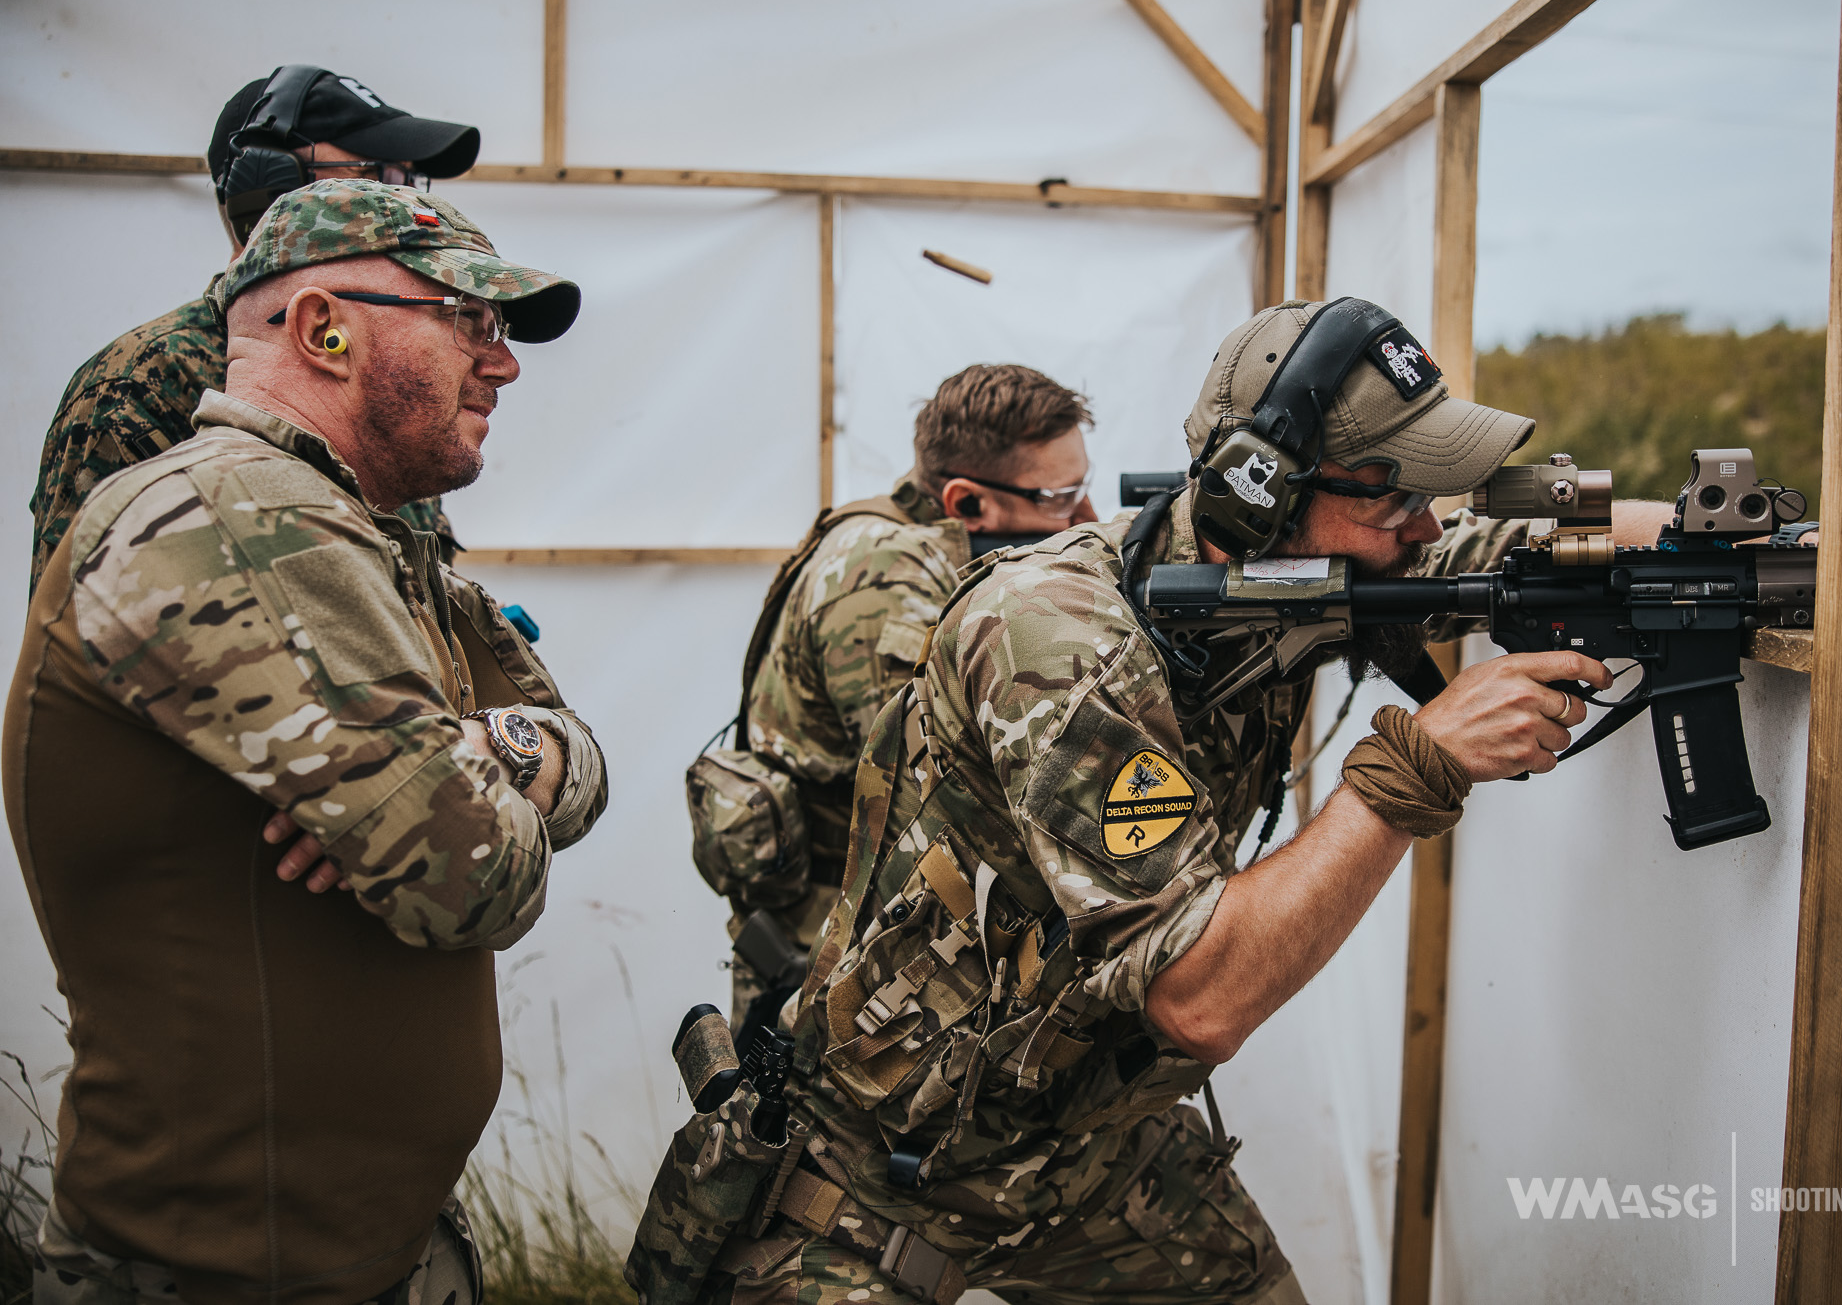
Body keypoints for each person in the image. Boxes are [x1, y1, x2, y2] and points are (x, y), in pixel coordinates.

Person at [633, 298, 1677, 1304]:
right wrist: (1416, 769)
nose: (1420, 524)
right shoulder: (1055, 634)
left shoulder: (1292, 575)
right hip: (885, 1170)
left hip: (1088, 1140)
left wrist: (1709, 536)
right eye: (1393, 494)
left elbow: (1501, 550)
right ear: (1257, 495)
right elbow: (1199, 997)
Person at [4, 178, 604, 1305]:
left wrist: (489, 754)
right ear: (325, 327)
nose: (504, 361)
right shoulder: (239, 520)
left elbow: (576, 751)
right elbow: (475, 877)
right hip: (221, 1270)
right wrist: (481, 778)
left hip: (371, 1249)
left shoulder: (365, 532)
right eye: (468, 319)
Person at [695, 365, 1097, 1033]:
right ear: (968, 502)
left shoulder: (928, 550)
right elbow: (936, 789)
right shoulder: (883, 572)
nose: (1084, 517)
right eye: (1062, 496)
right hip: (833, 963)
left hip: (881, 941)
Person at [28, 65, 481, 589]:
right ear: (264, 191)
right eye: (378, 174)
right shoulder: (141, 383)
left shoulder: (389, 369)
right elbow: (89, 628)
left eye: (411, 181)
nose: (406, 203)